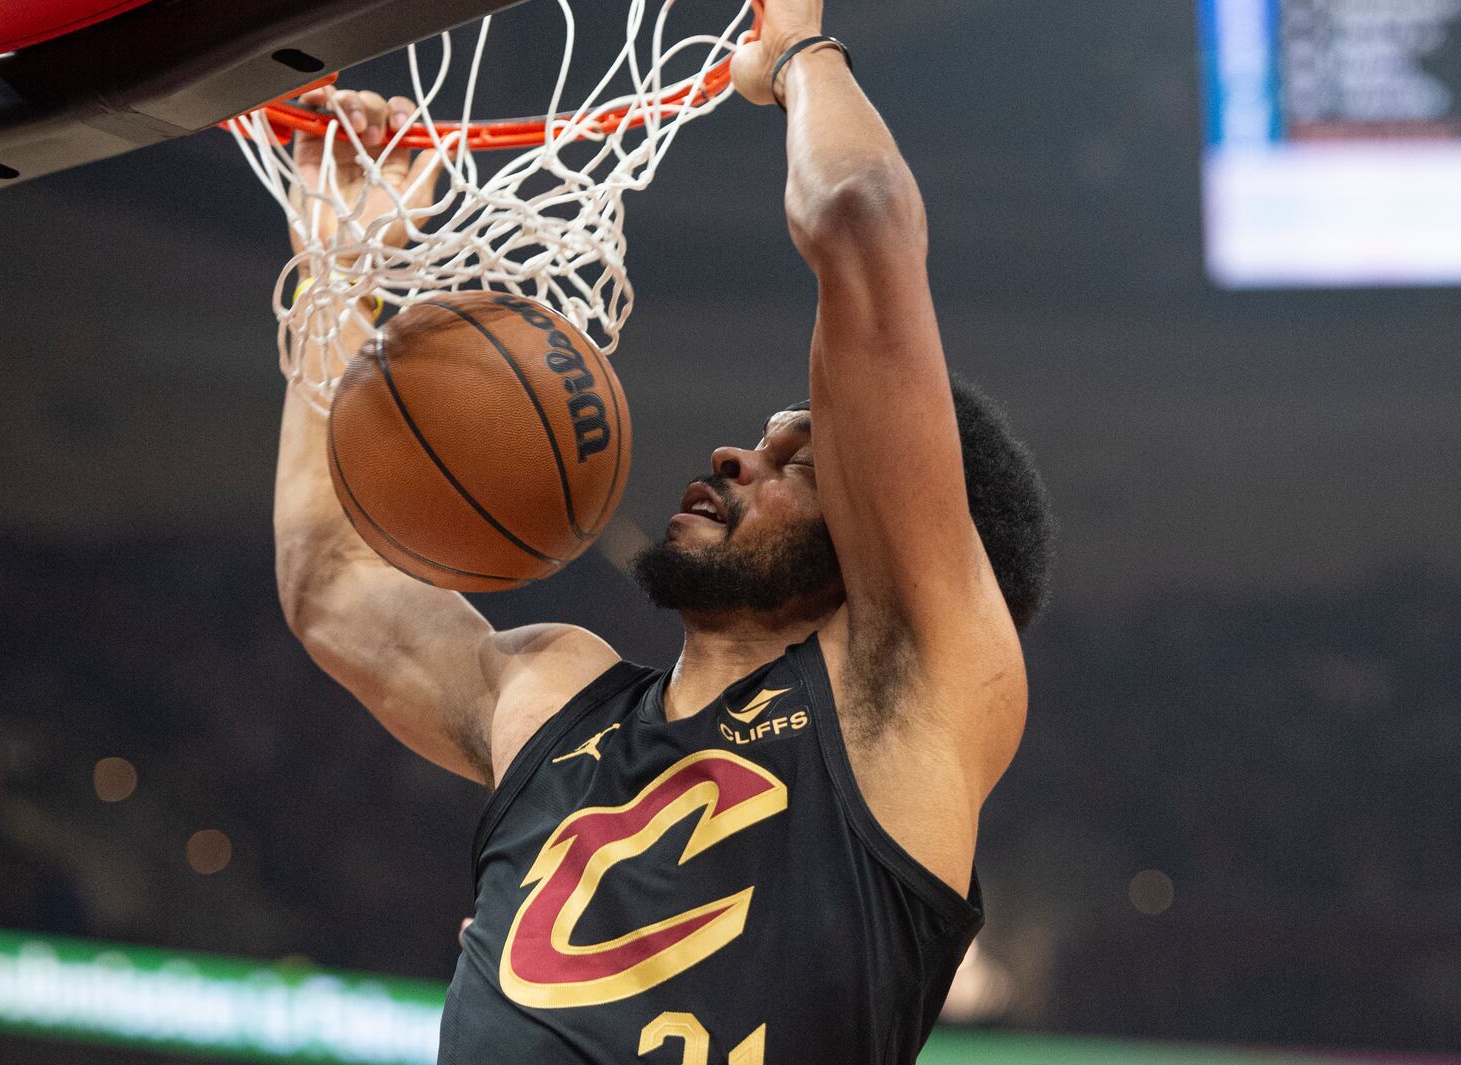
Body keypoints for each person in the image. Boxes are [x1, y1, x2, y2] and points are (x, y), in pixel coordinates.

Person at [273, 0, 1054, 1059]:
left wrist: (799, 60)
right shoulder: (554, 693)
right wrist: (341, 265)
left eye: (799, 464)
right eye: (760, 440)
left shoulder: (908, 708)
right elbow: (333, 583)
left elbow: (859, 217)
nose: (737, 458)